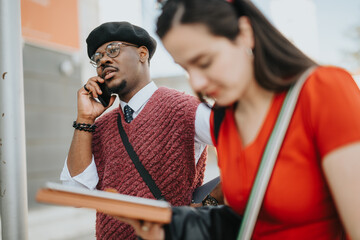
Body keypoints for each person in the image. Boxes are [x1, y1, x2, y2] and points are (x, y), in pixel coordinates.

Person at [119, 0, 360, 239]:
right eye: (186, 68)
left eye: (205, 62)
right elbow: (248, 218)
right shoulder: (224, 119)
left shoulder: (323, 91)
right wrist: (171, 228)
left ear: (244, 33)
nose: (197, 83)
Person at [59, 21, 221, 239]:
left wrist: (211, 202)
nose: (104, 60)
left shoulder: (183, 108)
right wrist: (85, 118)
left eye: (113, 50)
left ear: (142, 53)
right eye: (97, 58)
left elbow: (249, 146)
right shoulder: (97, 127)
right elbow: (76, 194)